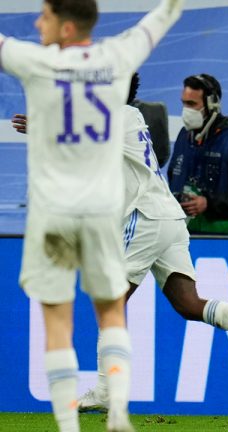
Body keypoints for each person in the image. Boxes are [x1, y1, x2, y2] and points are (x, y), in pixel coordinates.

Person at [12, 73, 228, 411]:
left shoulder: (118, 117)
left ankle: (105, 390)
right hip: (170, 220)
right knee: (189, 303)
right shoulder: (131, 117)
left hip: (148, 218)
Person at [0, 0, 183, 431]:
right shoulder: (115, 57)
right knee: (111, 311)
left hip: (55, 211)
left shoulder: (37, 61)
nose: (36, 22)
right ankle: (116, 408)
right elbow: (158, 20)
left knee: (58, 318)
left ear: (64, 26)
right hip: (102, 212)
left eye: (43, 16)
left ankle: (69, 424)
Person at [167, 73, 228, 235]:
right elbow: (173, 179)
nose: (186, 110)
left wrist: (208, 203)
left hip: (226, 239)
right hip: (184, 235)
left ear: (211, 104)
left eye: (192, 104)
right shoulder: (184, 136)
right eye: (184, 104)